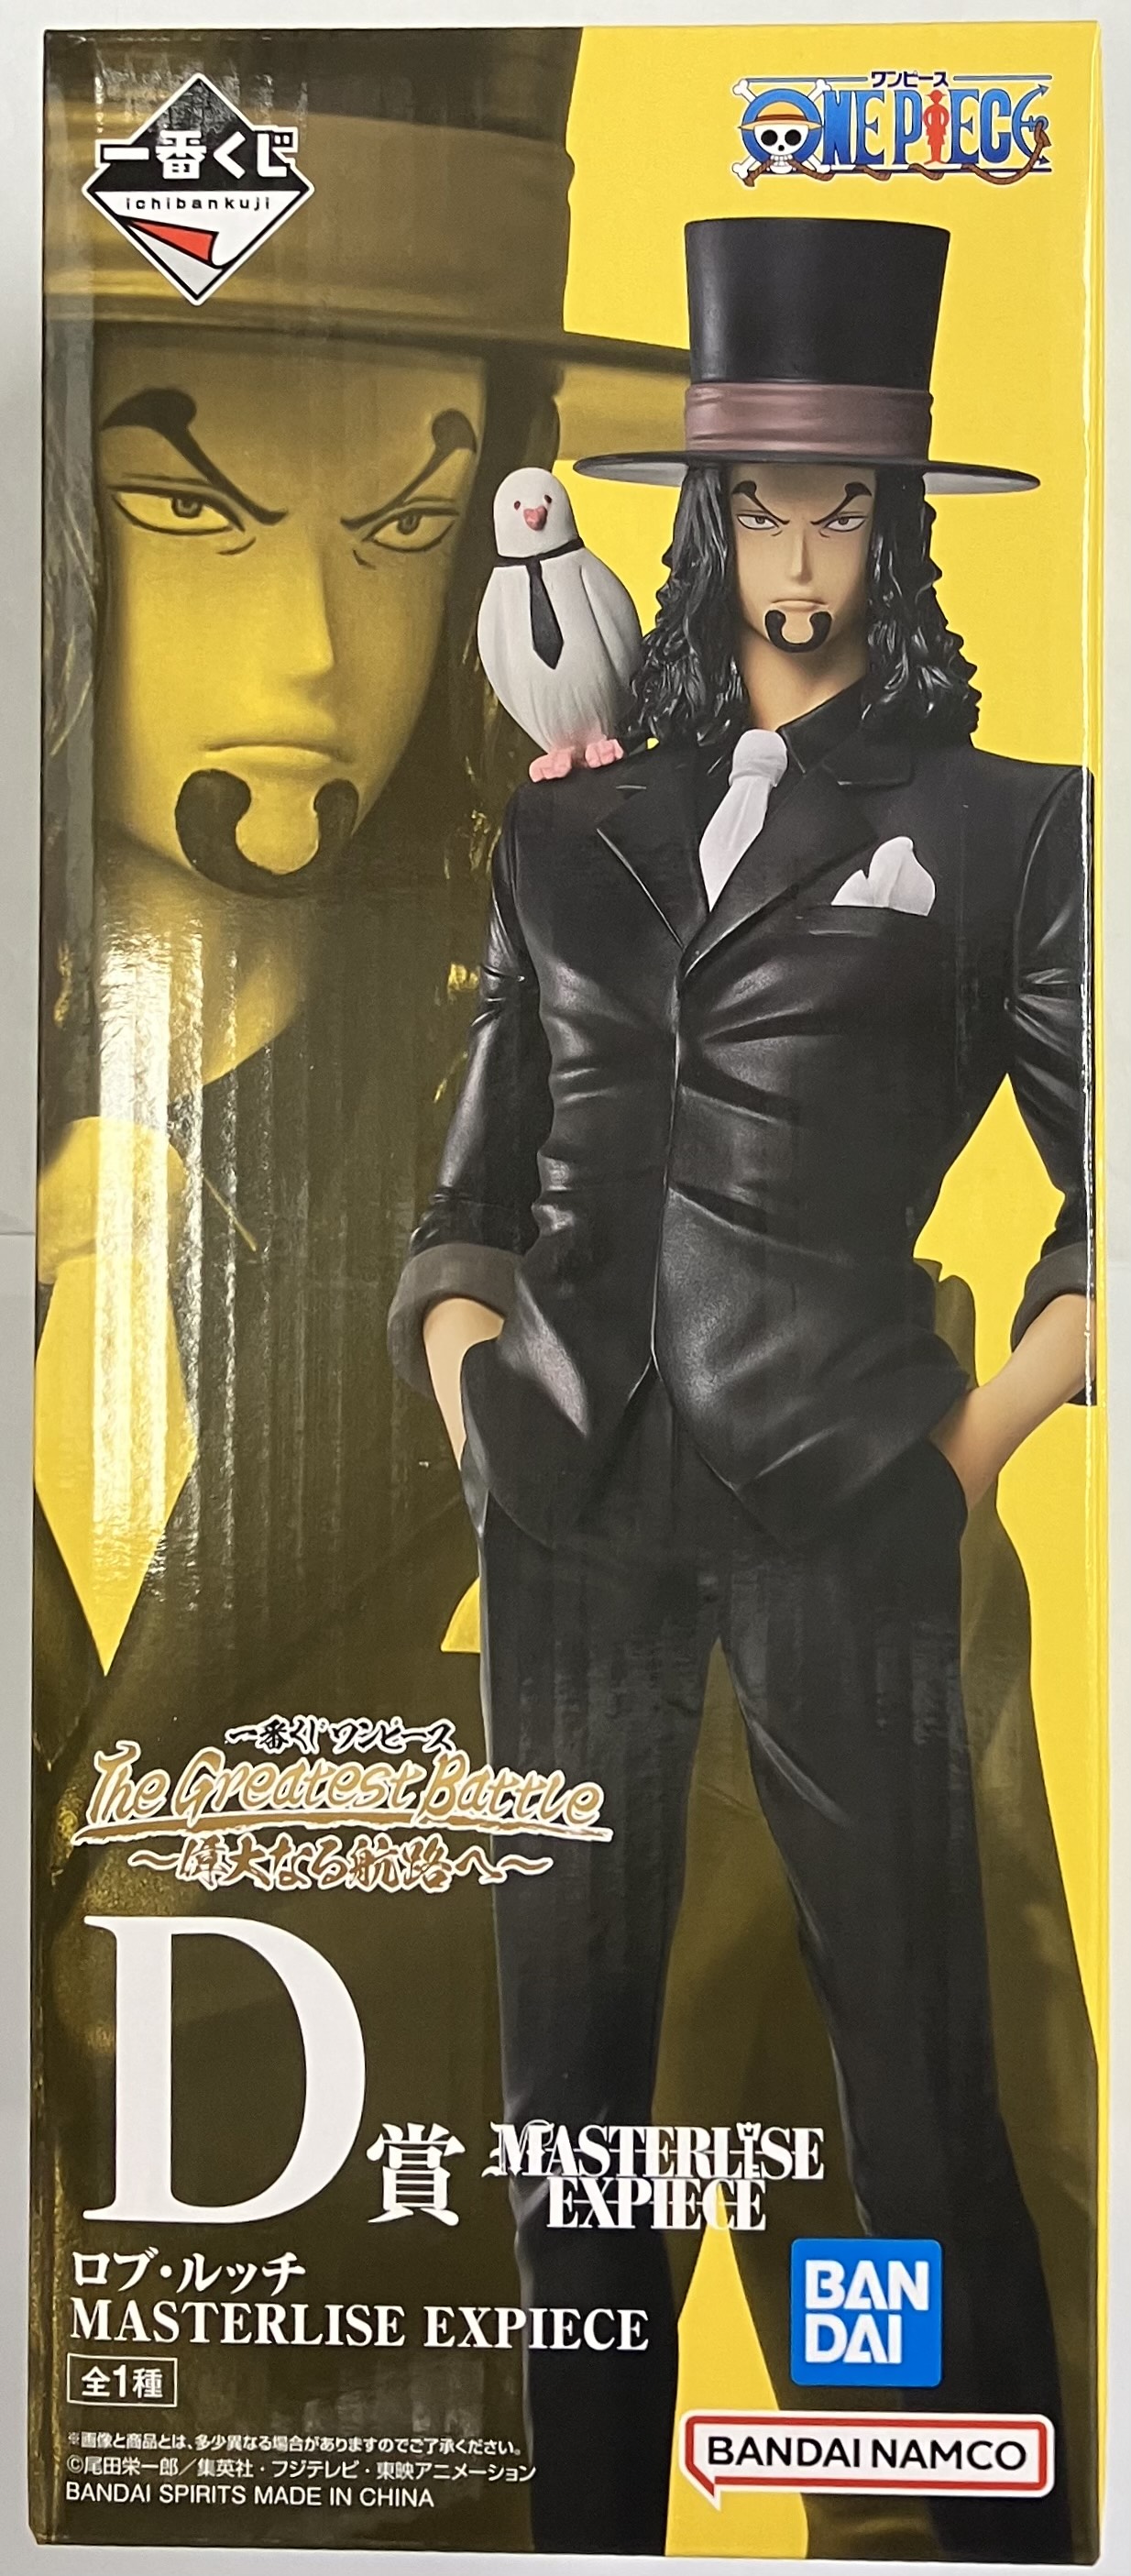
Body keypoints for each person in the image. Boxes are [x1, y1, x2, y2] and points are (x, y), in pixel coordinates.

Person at [32, 29, 686, 2549]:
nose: (318, 647)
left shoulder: (679, 1273)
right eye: (180, 506)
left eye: (410, 521)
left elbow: (921, 2198)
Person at [390, 215, 1093, 2561]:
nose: (797, 560)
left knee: (911, 2081)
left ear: (892, 529)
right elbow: (465, 1189)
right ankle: (585, 2536)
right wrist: (472, 1377)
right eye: (757, 510)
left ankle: (983, 2529)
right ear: (700, 522)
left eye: (839, 511)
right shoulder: (560, 823)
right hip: (567, 1500)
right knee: (567, 2107)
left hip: (843, 1505)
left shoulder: (1005, 826)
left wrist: (972, 1437)